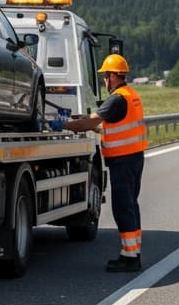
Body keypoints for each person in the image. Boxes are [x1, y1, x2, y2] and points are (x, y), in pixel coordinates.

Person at [63, 53, 147, 272]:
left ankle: (129, 258)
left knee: (123, 208)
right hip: (134, 158)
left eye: (105, 76)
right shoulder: (131, 95)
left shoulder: (116, 98)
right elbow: (111, 127)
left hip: (123, 161)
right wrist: (92, 126)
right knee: (131, 205)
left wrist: (66, 125)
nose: (104, 80)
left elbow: (92, 120)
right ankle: (134, 252)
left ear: (112, 76)